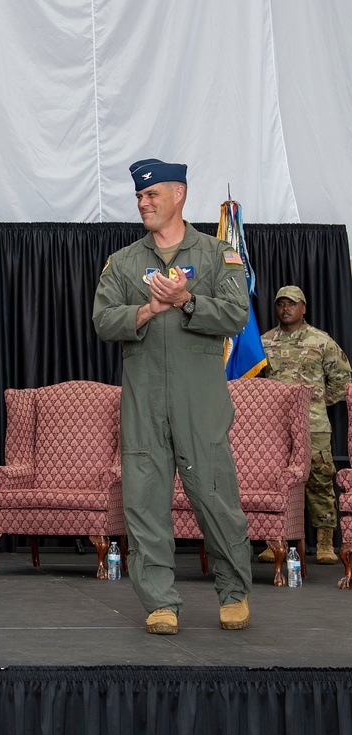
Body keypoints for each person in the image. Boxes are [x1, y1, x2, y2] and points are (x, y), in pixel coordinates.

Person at [92, 158, 253, 635]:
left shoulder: (216, 254)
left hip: (198, 402)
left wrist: (186, 302)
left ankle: (234, 591)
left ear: (178, 195)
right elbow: (103, 321)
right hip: (143, 403)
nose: (143, 203)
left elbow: (236, 315)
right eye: (139, 197)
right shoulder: (123, 263)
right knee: (144, 502)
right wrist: (147, 309)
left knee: (216, 498)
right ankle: (160, 601)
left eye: (152, 195)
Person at [258, 285, 351, 564]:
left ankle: (324, 543)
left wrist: (317, 402)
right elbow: (252, 383)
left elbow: (343, 380)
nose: (285, 308)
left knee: (320, 480)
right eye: (280, 303)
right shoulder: (263, 342)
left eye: (292, 303)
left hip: (314, 425)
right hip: (273, 427)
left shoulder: (321, 341)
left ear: (304, 308)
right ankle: (273, 540)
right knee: (273, 483)